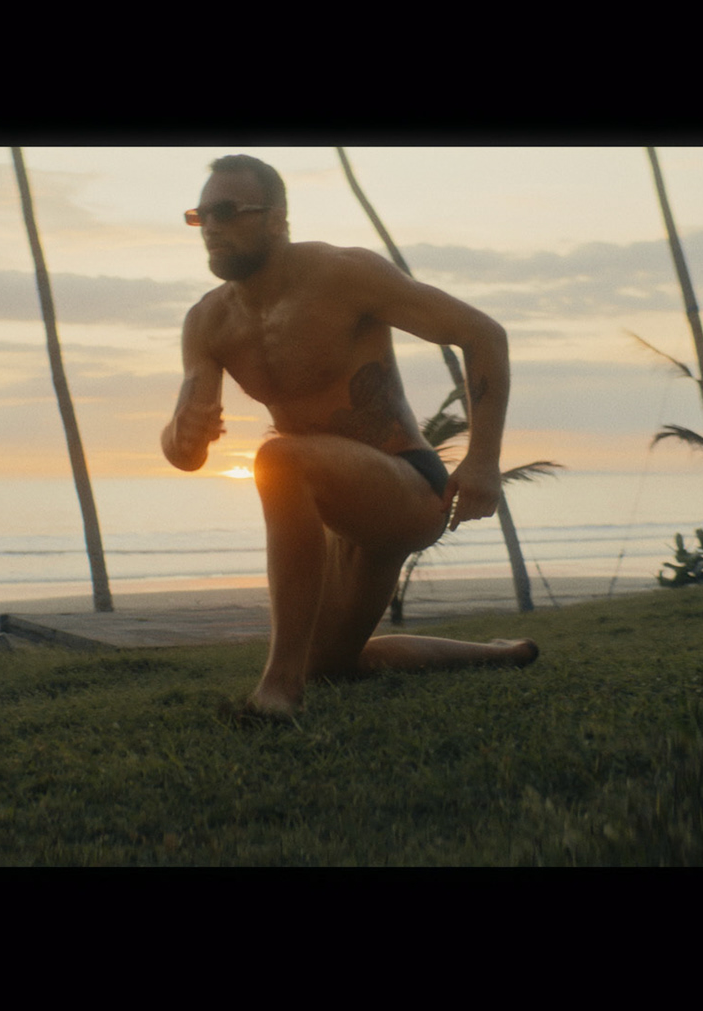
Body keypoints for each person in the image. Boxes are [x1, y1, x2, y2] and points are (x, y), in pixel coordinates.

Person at [162, 155, 538, 721]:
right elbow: (186, 454)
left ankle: (279, 689)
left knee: (278, 459)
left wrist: (483, 460)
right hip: (339, 513)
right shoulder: (207, 323)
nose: (211, 226)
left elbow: (483, 334)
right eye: (200, 215)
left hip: (408, 486)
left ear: (276, 219)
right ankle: (498, 655)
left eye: (227, 211)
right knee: (332, 665)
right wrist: (180, 434)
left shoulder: (344, 275)